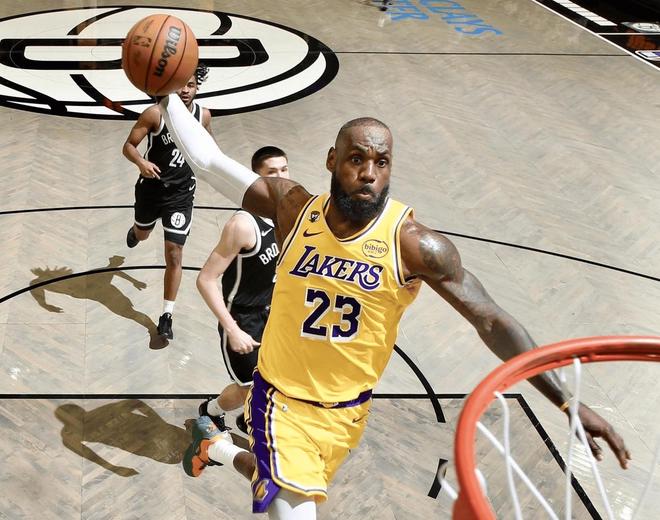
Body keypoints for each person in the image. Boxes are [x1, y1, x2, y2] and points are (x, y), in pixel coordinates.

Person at [159, 94, 631, 519]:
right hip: (279, 400)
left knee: (280, 483)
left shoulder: (415, 245)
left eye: (381, 162)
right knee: (290, 504)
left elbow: (490, 319)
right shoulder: (294, 209)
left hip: (347, 411)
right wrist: (166, 95)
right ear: (332, 160)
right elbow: (209, 161)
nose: (369, 173)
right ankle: (222, 445)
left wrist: (567, 400)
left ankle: (215, 446)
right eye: (357, 159)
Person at [196, 147, 290, 432]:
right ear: (256, 179)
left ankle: (248, 417)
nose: (280, 176)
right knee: (246, 388)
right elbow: (206, 279)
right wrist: (233, 330)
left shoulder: (287, 215)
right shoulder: (242, 225)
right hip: (242, 318)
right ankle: (210, 410)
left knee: (277, 379)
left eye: (284, 169)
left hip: (272, 313)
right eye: (271, 172)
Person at [122, 64, 213, 340]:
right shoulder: (155, 114)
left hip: (181, 195)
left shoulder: (203, 115)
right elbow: (128, 146)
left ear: (197, 87)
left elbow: (210, 148)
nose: (185, 90)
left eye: (191, 85)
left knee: (174, 253)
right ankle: (136, 232)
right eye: (181, 85)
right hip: (151, 189)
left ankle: (166, 315)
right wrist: (141, 162)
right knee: (143, 234)